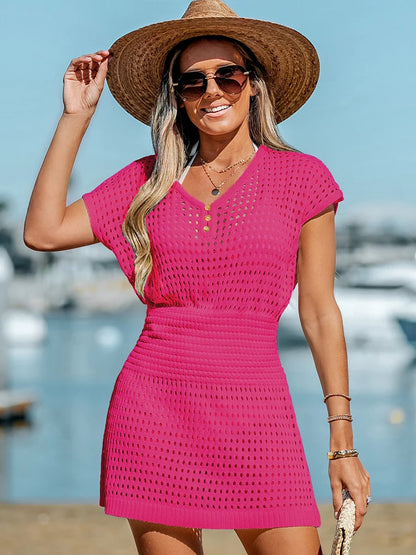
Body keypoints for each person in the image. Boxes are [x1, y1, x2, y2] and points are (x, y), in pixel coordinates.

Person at [24, 1, 371, 553]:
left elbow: (320, 311)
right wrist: (76, 117)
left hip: (258, 414)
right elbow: (42, 232)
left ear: (253, 84)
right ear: (177, 97)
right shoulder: (149, 181)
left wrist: (342, 441)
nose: (211, 91)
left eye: (227, 75)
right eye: (191, 81)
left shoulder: (302, 178)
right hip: (154, 408)